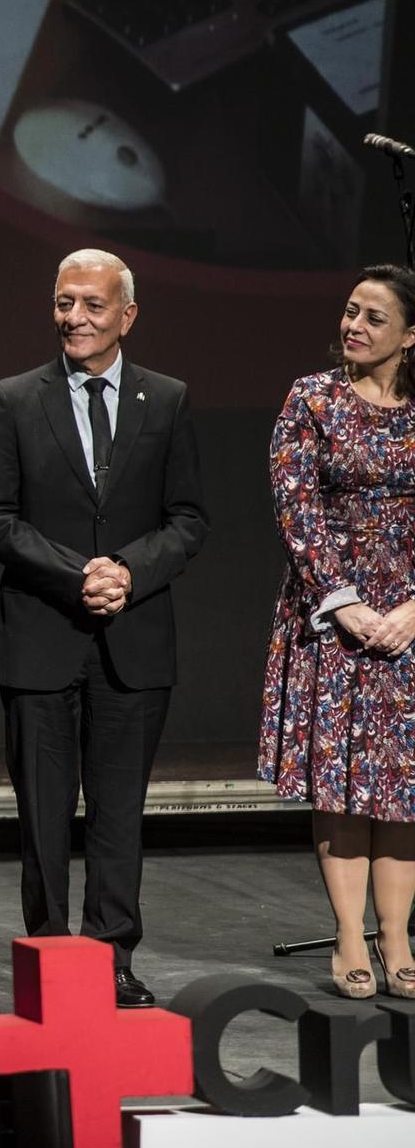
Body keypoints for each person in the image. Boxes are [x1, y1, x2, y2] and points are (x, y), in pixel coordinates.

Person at [0, 248, 208, 1009]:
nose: (73, 316)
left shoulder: (166, 400)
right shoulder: (14, 398)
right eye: (63, 302)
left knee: (117, 814)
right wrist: (80, 571)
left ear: (126, 315)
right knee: (43, 814)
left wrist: (130, 572)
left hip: (133, 643)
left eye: (91, 305)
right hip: (41, 636)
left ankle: (113, 957)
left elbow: (189, 518)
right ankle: (50, 955)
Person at [259, 264, 415, 1000]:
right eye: (351, 312)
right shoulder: (312, 397)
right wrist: (345, 602)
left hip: (411, 615)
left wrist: (413, 610)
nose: (354, 325)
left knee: (404, 787)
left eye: (373, 318)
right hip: (334, 616)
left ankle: (398, 935)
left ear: (410, 336)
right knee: (347, 785)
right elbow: (298, 508)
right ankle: (351, 935)